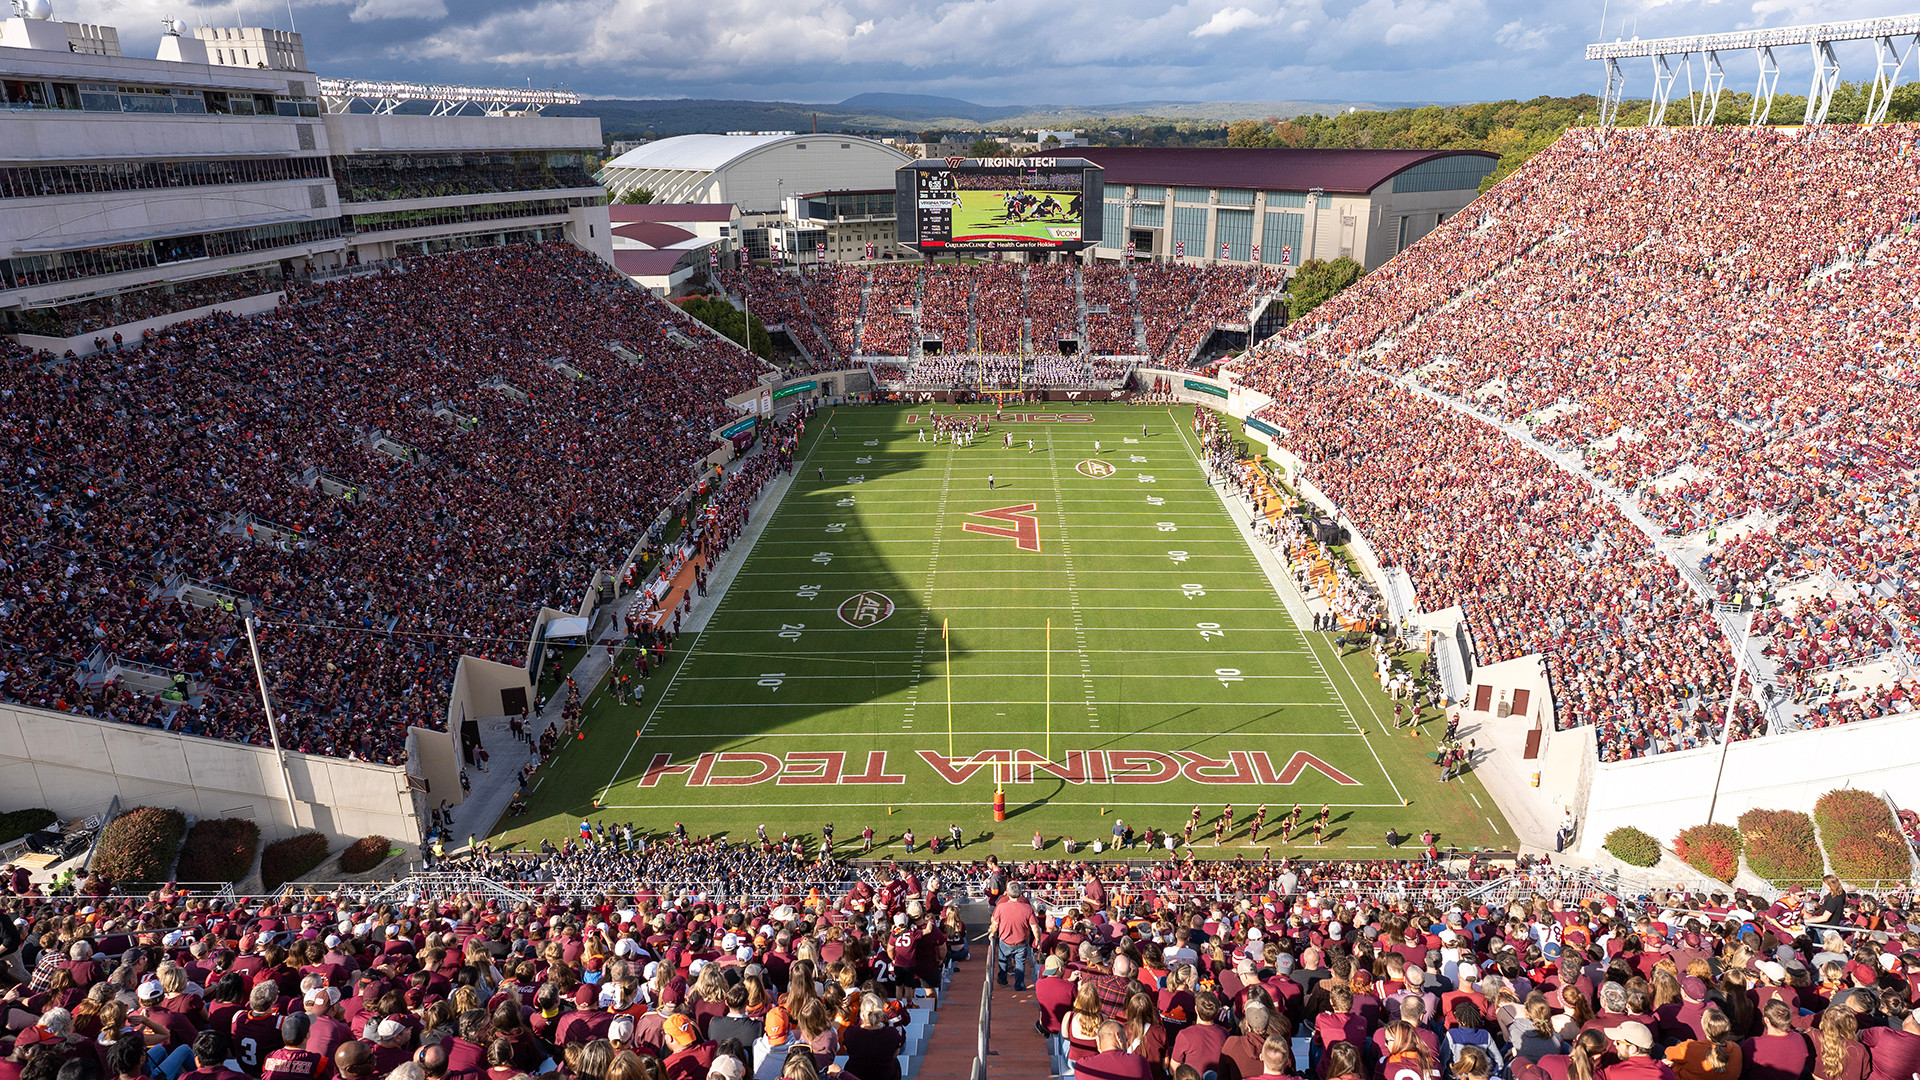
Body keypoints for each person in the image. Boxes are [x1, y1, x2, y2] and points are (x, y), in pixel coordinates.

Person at [988, 882, 1040, 992]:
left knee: (1003, 961)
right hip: (1021, 942)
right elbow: (1035, 927)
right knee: (1020, 964)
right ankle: (1019, 986)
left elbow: (995, 924)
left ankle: (1003, 979)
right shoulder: (1027, 908)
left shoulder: (1001, 907)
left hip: (1005, 941)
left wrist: (992, 933)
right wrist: (1038, 940)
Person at [1602, 1021, 1678, 1080]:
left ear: (1632, 1049)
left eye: (1618, 1042)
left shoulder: (1612, 1073)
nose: (1614, 1043)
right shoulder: (1667, 1073)